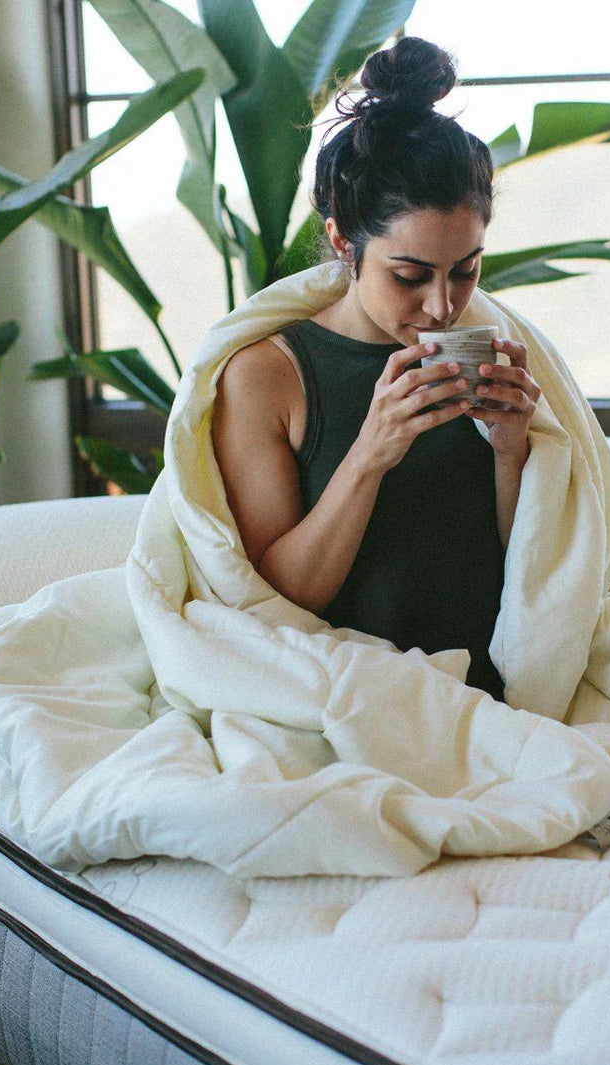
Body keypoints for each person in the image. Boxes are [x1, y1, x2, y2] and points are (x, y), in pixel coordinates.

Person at [210, 36, 541, 703]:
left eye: (466, 269)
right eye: (411, 276)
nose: (444, 306)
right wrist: (370, 451)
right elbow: (279, 599)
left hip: (494, 689)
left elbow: (532, 568)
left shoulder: (485, 340)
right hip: (347, 693)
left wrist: (513, 452)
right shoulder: (268, 376)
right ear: (342, 240)